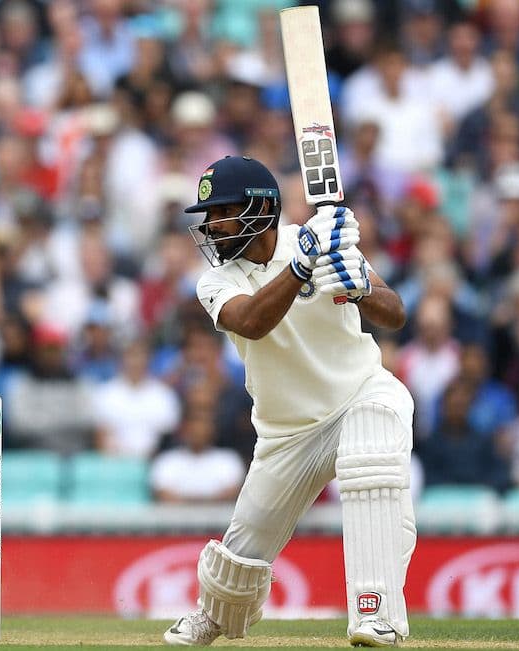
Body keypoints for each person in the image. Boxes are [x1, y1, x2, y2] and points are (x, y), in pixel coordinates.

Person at [163, 156, 415, 647]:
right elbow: (254, 321)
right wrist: (302, 267)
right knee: (242, 553)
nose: (211, 226)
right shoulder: (217, 281)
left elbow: (396, 313)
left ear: (260, 208)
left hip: (361, 391)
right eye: (208, 216)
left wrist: (358, 285)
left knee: (371, 453)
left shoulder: (323, 241)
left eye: (222, 212)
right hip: (286, 430)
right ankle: (214, 615)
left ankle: (376, 613)